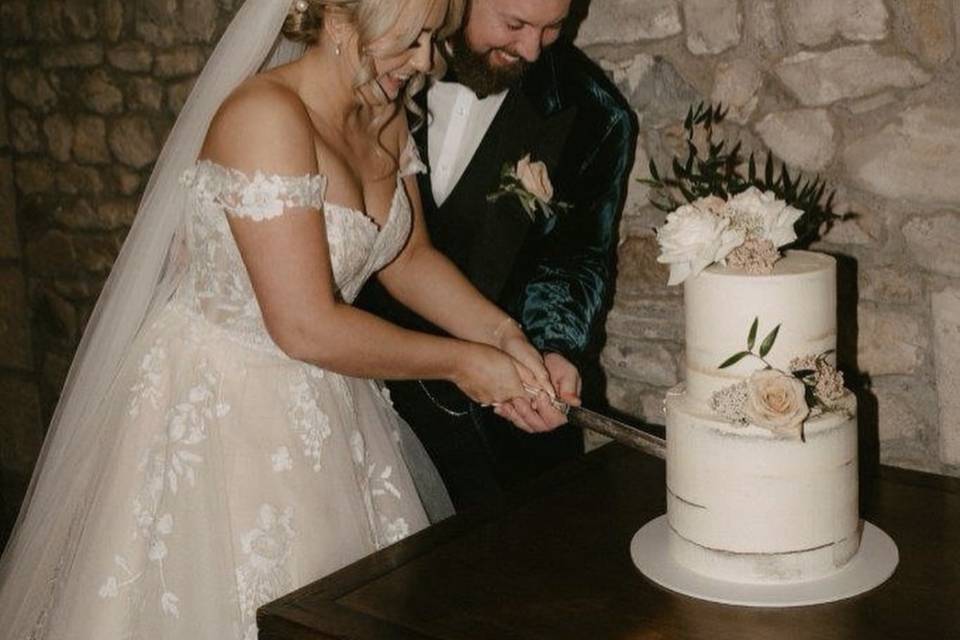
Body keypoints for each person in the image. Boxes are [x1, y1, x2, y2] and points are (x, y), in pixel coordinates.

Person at [0, 1, 561, 637]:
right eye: (411, 40)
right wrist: (464, 364)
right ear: (344, 18)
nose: (427, 61)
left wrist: (502, 335)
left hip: (330, 399)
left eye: (433, 39)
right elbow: (303, 326)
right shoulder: (263, 118)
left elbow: (406, 256)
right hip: (224, 417)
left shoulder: (383, 114)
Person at [358, 0, 637, 509]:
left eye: (552, 27)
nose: (532, 48)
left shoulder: (596, 114)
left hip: (499, 433)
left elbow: (577, 259)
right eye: (515, 24)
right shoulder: (376, 71)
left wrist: (555, 349)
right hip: (359, 407)